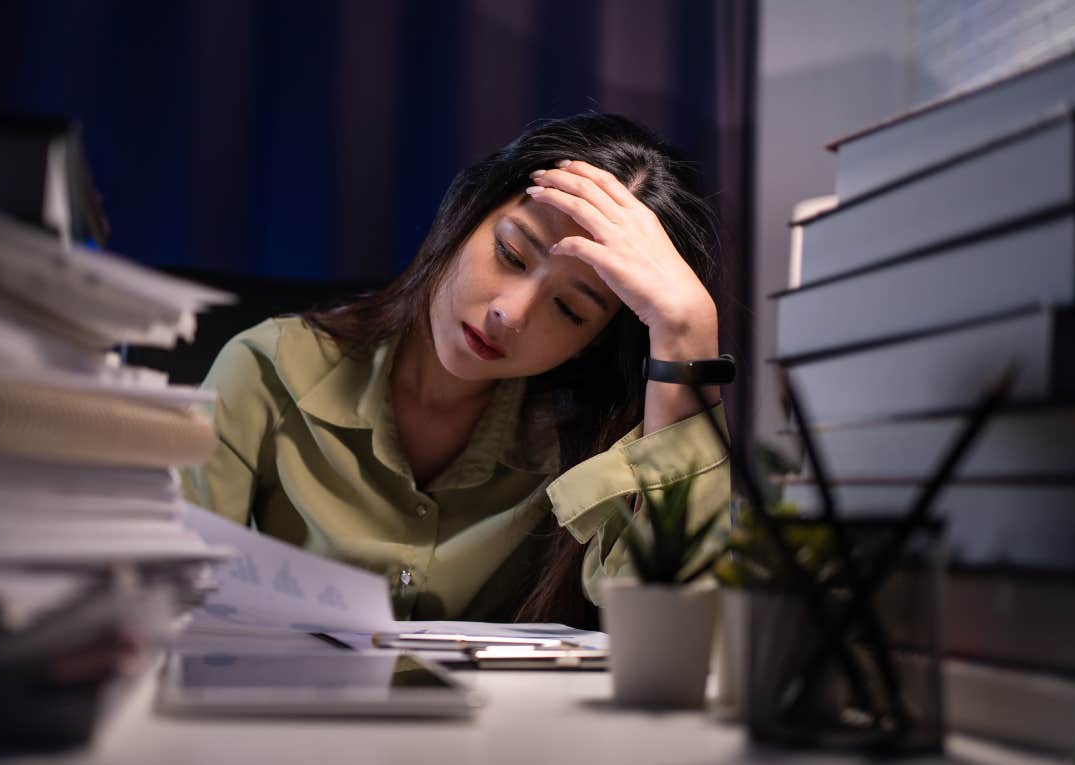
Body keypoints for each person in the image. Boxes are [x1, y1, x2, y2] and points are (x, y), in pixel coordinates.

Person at [182, 113, 730, 628]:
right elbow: (163, 602)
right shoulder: (265, 368)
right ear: (465, 212)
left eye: (570, 310)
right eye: (511, 254)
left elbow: (674, 629)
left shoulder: (588, 443)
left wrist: (687, 331)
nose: (510, 314)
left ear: (594, 341)